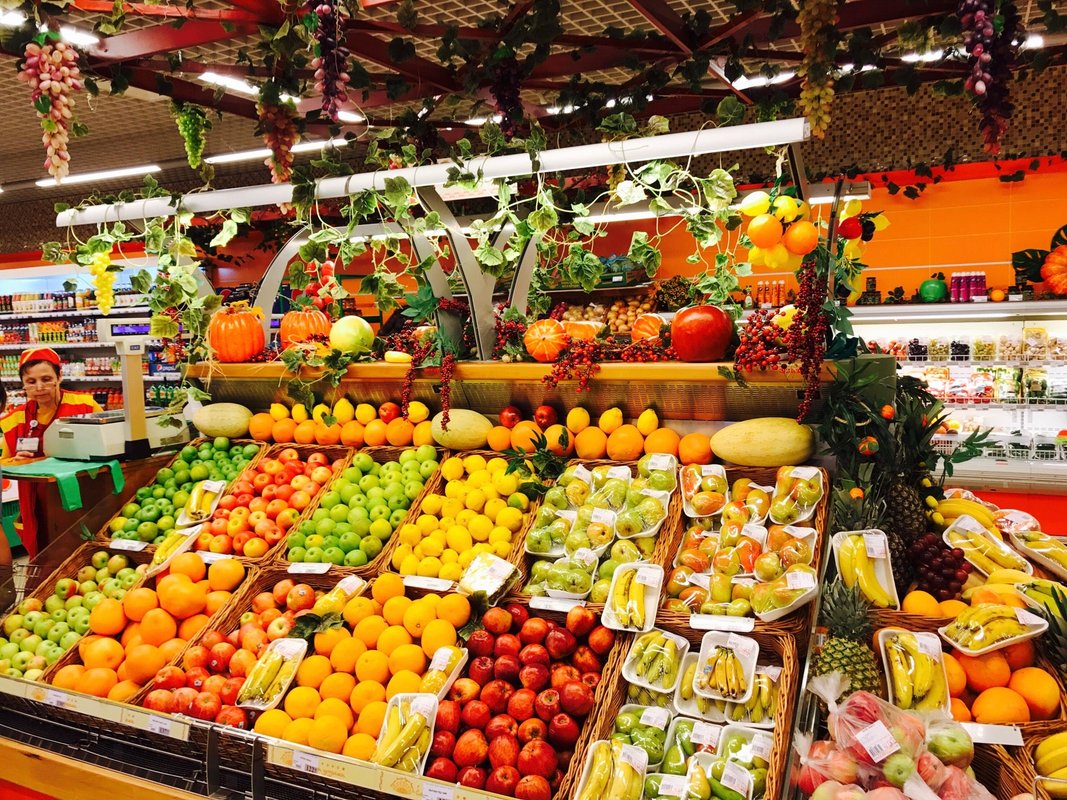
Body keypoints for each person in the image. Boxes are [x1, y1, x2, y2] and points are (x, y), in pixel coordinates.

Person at [0, 348, 102, 557]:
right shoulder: (15, 419)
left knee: (84, 547)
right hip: (36, 499)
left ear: (59, 377)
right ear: (23, 383)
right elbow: (4, 461)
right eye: (31, 381)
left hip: (81, 491)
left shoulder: (85, 406)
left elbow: (106, 444)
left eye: (46, 379)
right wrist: (16, 461)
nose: (39, 387)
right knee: (43, 549)